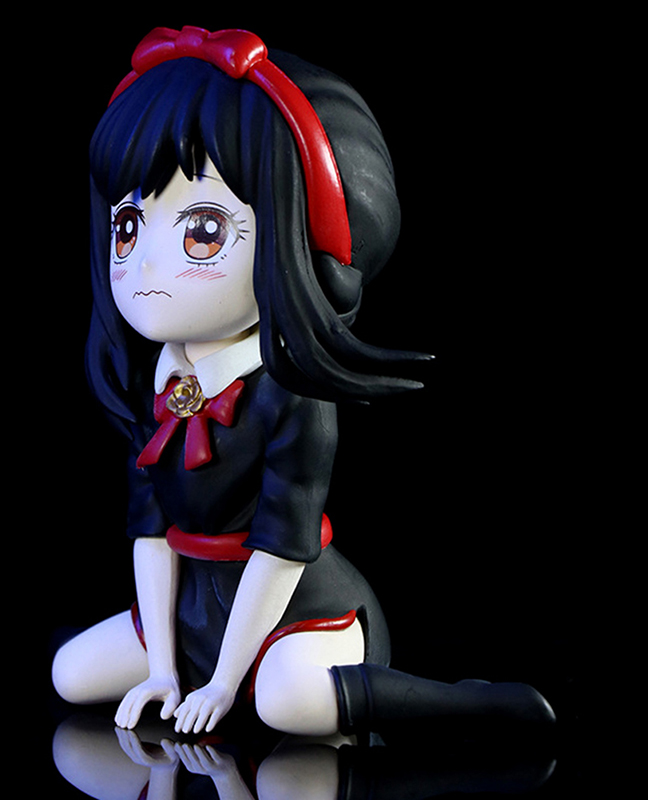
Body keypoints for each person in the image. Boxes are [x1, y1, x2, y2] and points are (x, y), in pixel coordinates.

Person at [52, 26, 555, 738]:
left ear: (294, 247)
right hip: (192, 611)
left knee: (285, 703)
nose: (144, 268)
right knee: (70, 674)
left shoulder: (291, 396)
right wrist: (164, 668)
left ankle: (468, 706)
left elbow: (280, 547)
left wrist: (224, 681)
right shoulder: (156, 383)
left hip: (292, 609)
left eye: (202, 232)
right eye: (128, 227)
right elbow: (152, 534)